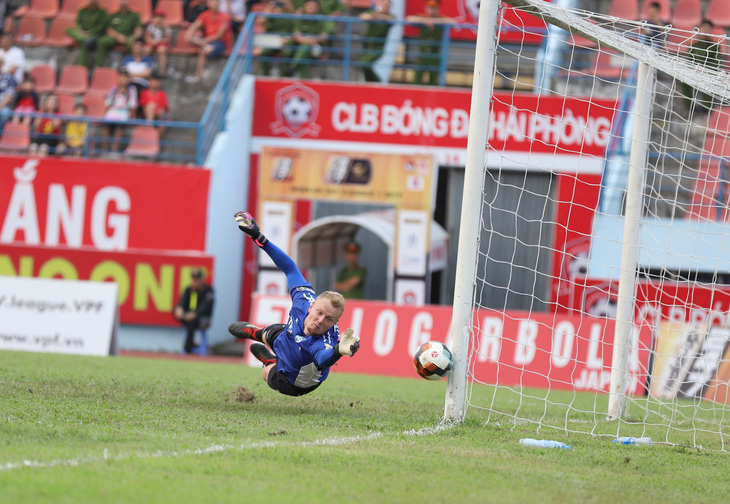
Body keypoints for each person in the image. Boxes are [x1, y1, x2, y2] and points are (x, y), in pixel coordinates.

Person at [228, 211, 360, 397]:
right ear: (312, 305)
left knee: (266, 374)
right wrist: (258, 236)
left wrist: (338, 351)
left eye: (329, 319)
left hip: (294, 380)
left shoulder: (325, 342)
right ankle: (258, 333)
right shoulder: (304, 299)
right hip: (288, 339)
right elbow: (290, 268)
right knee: (279, 332)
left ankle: (269, 362)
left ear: (335, 322)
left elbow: (323, 359)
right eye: (319, 312)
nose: (321, 320)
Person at [405, 0, 454, 86]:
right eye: (430, 8)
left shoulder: (441, 18)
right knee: (417, 80)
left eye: (435, 8)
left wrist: (436, 21)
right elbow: (409, 19)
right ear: (426, 8)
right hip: (422, 55)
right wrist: (425, 20)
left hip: (435, 55)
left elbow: (452, 21)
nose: (432, 10)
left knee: (434, 82)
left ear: (439, 9)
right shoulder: (422, 17)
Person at [184, 0, 232, 84]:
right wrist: (190, 32)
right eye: (213, 2)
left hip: (220, 42)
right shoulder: (205, 14)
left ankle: (198, 76)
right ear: (209, 4)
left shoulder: (225, 16)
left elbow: (219, 35)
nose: (215, 4)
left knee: (203, 51)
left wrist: (204, 41)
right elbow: (195, 25)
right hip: (207, 41)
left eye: (217, 2)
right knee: (189, 37)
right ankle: (206, 46)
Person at [682, 20, 723, 112]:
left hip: (708, 72)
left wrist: (705, 70)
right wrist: (696, 69)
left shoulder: (715, 46)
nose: (705, 30)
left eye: (707, 28)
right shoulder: (693, 44)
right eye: (703, 27)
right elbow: (689, 60)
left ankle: (706, 107)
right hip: (695, 72)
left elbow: (716, 62)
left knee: (712, 81)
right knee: (684, 81)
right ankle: (689, 106)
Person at [281, 0, 328, 78]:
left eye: (313, 6)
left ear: (318, 8)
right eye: (309, 6)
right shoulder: (299, 18)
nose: (311, 8)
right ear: (305, 7)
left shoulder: (321, 19)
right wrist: (311, 40)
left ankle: (292, 67)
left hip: (315, 49)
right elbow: (297, 37)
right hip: (298, 47)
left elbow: (324, 37)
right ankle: (299, 76)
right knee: (297, 50)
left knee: (305, 47)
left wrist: (309, 40)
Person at [174, 268, 215, 355]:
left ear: (202, 280)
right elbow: (183, 301)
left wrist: (195, 314)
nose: (195, 282)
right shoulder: (189, 290)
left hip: (203, 318)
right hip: (190, 317)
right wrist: (179, 308)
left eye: (197, 280)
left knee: (191, 321)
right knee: (177, 312)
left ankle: (187, 349)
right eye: (194, 280)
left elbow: (205, 307)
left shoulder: (208, 291)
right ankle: (190, 345)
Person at [96, 0, 144, 66]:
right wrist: (118, 36)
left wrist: (134, 38)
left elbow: (138, 29)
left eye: (125, 1)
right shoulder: (113, 14)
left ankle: (132, 66)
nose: (123, 2)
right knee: (102, 42)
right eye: (121, 1)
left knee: (133, 44)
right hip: (115, 36)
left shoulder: (134, 14)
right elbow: (109, 30)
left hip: (129, 35)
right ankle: (99, 66)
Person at [358, 0, 394, 83]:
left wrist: (377, 16)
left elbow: (391, 19)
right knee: (362, 64)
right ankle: (370, 82)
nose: (385, 6)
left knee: (364, 63)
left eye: (388, 5)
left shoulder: (390, 15)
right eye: (384, 4)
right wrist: (374, 16)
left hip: (378, 47)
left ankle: (376, 80)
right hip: (367, 46)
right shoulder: (373, 11)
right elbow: (362, 16)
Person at [65, 0, 109, 68]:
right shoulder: (82, 10)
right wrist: (81, 30)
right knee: (68, 30)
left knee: (85, 45)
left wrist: (90, 32)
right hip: (83, 33)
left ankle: (80, 68)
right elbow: (78, 23)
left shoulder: (102, 12)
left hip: (95, 34)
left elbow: (101, 27)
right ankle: (85, 39)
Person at [103, 69, 138, 153]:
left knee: (119, 127)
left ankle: (114, 150)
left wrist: (133, 117)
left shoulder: (131, 90)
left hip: (124, 112)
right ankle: (104, 149)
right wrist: (104, 115)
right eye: (121, 77)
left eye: (125, 77)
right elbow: (108, 103)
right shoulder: (114, 89)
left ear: (129, 79)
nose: (123, 79)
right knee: (106, 126)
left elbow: (132, 106)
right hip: (112, 111)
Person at [144, 10, 172, 75]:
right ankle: (146, 66)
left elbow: (168, 38)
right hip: (152, 42)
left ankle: (162, 69)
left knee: (162, 50)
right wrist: (152, 41)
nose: (158, 19)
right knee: (147, 49)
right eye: (156, 17)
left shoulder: (166, 27)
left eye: (160, 17)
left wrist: (159, 41)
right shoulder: (151, 26)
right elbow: (148, 37)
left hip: (162, 43)